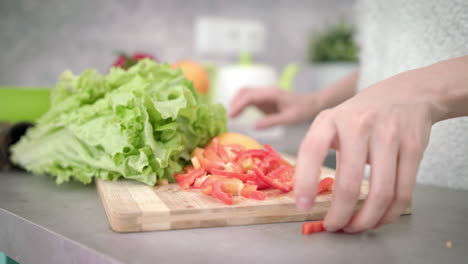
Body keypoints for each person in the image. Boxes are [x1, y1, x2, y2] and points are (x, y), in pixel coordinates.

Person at [229, 0, 468, 233]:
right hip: (387, 186)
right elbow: (383, 58)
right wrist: (315, 101)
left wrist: (423, 91)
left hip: (455, 195)